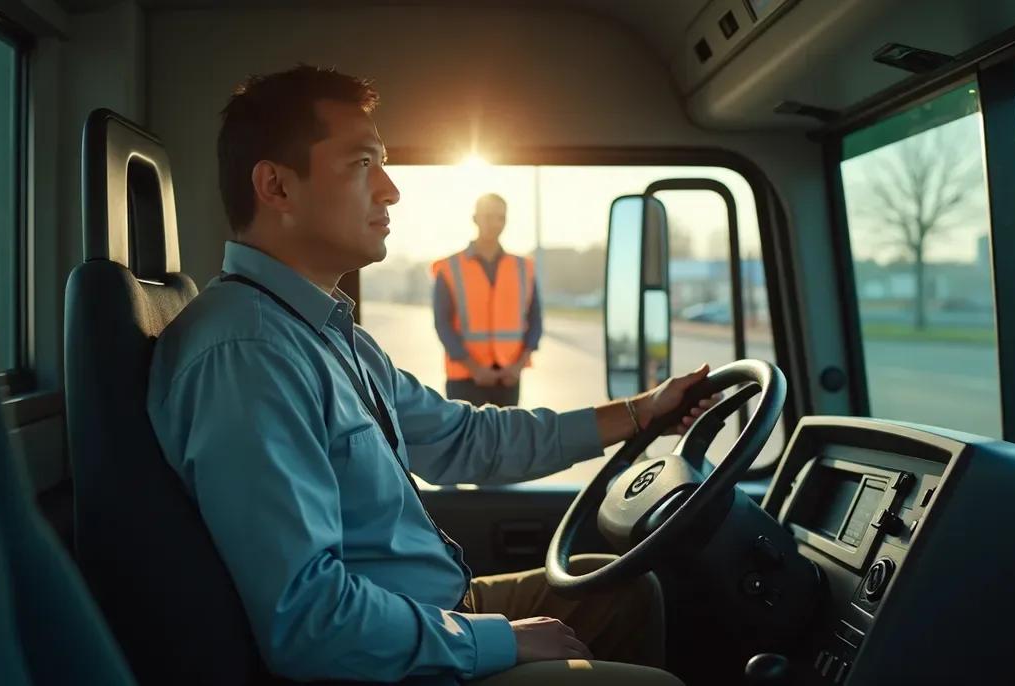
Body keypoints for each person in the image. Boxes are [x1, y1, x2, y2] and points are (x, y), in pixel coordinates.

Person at [148, 64, 716, 686]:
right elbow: (309, 622)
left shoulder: (326, 334)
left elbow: (467, 439)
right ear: (276, 186)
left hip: (430, 612)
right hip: (386, 659)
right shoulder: (250, 356)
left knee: (626, 594)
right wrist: (497, 641)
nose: (390, 190)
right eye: (362, 163)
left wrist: (639, 413)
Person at [432, 194, 540, 407]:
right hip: (464, 377)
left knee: (507, 430)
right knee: (466, 431)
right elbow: (442, 324)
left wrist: (517, 367)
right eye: (489, 216)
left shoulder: (524, 268)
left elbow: (535, 320)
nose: (495, 223)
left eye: (501, 218)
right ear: (475, 219)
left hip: (509, 376)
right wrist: (475, 369)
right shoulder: (449, 268)